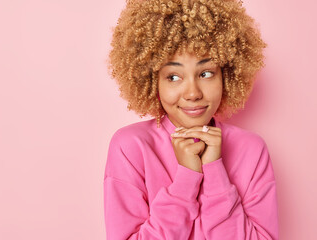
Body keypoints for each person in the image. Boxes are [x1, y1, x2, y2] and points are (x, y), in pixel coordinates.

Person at [103, 0, 279, 239]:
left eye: (206, 73)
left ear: (226, 75)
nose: (193, 93)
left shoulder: (251, 149)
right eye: (173, 77)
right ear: (152, 81)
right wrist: (186, 178)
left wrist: (215, 170)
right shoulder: (131, 147)